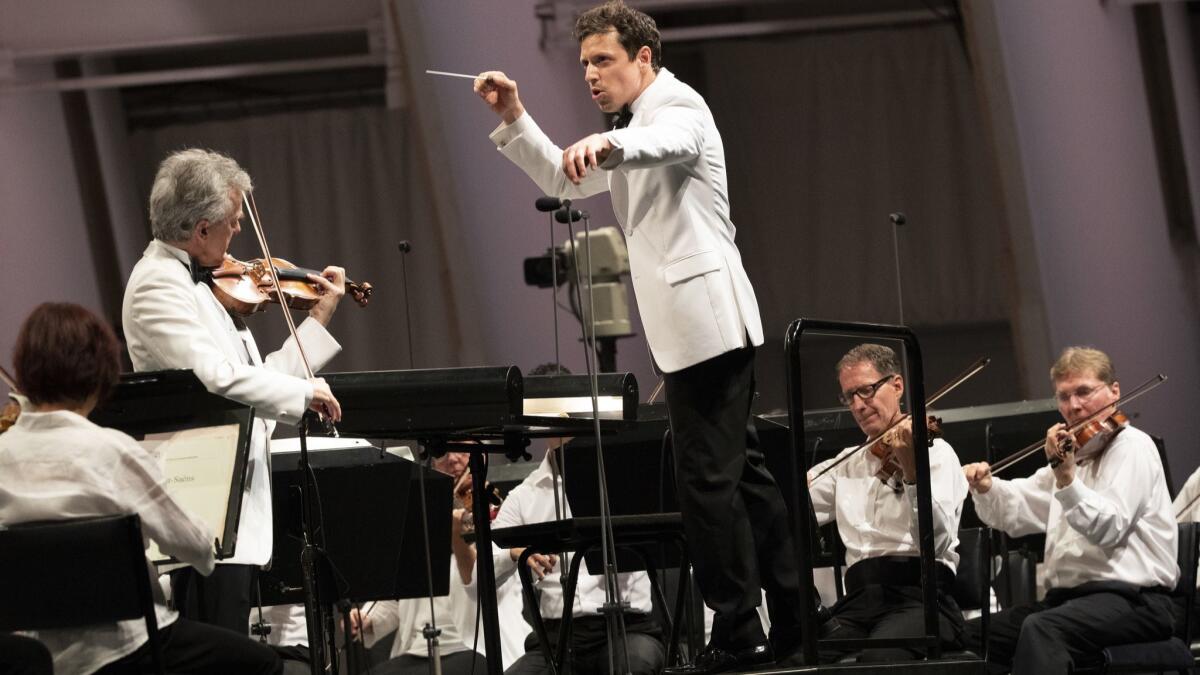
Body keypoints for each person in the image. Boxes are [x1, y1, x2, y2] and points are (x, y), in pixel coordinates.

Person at [474, 2, 822, 671]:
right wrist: (514, 114)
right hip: (693, 332)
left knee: (705, 480)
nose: (590, 75)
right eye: (583, 64)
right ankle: (795, 616)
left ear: (643, 58)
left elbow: (672, 143)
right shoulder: (631, 124)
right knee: (744, 478)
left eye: (602, 60)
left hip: (710, 325)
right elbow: (559, 174)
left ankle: (738, 624)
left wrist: (611, 143)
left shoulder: (677, 107)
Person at [121, 148, 346, 634]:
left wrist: (319, 319)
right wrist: (305, 395)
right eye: (233, 219)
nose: (240, 230)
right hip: (200, 506)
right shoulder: (157, 284)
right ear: (202, 228)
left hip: (231, 513)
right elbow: (215, 380)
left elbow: (254, 387)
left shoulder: (204, 285)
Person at [0, 302, 282, 675]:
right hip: (129, 650)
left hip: (41, 659)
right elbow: (198, 550)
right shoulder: (111, 452)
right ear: (99, 376)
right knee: (262, 663)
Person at [962, 346, 1178, 673]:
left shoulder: (1133, 447)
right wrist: (986, 487)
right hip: (1069, 602)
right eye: (1064, 397)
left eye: (1084, 392)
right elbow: (1015, 511)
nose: (1074, 406)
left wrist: (1066, 478)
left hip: (1137, 600)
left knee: (1042, 629)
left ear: (1114, 391)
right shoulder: (1072, 457)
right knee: (973, 636)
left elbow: (1109, 528)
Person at [807, 344, 968, 662]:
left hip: (920, 599)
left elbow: (936, 540)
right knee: (797, 658)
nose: (858, 405)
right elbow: (796, 506)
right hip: (857, 604)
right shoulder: (846, 464)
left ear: (897, 386)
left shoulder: (935, 452)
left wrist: (911, 472)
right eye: (849, 396)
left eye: (866, 391)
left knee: (878, 662)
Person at [491, 443, 665, 675]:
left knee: (634, 666)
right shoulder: (525, 495)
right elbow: (480, 573)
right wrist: (513, 553)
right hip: (557, 638)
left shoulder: (627, 477)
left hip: (627, 627)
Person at [348, 452, 492, 675]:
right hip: (418, 650)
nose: (452, 460)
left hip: (472, 647)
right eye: (441, 453)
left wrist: (458, 531)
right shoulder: (421, 518)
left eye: (461, 449)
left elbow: (483, 577)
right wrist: (368, 618)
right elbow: (403, 594)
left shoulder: (497, 514)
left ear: (481, 455)